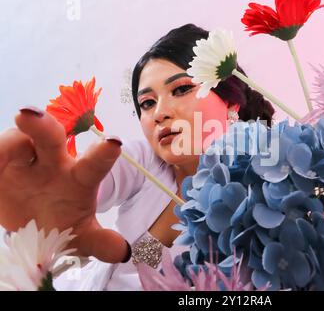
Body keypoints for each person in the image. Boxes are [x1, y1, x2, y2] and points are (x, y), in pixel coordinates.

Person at [0, 24, 275, 290]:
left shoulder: (274, 191)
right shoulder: (140, 162)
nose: (159, 113)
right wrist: (45, 213)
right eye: (147, 103)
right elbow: (81, 191)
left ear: (230, 100)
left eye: (180, 89)